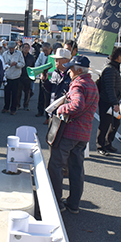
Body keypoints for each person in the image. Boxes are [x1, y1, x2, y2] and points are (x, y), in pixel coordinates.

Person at [48, 56, 99, 214]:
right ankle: (73, 204)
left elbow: (77, 105)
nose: (69, 72)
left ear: (77, 70)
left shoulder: (78, 84)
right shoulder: (91, 84)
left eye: (70, 69)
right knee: (76, 168)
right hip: (84, 134)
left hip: (69, 132)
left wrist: (60, 109)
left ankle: (57, 202)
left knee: (55, 165)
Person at [96, 47, 121, 156]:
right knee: (105, 124)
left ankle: (108, 143)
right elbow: (109, 88)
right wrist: (114, 103)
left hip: (112, 101)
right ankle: (100, 146)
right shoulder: (109, 69)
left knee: (116, 122)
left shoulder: (114, 67)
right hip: (107, 102)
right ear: (118, 56)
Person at [41, 48, 72, 125]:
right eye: (55, 59)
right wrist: (45, 81)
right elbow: (51, 89)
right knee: (51, 136)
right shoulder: (56, 72)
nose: (55, 61)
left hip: (65, 113)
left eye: (58, 59)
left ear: (66, 60)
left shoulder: (72, 74)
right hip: (54, 112)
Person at [2, 41, 24, 115]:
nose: (11, 49)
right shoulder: (5, 54)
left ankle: (13, 108)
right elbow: (2, 63)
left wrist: (16, 64)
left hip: (16, 76)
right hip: (7, 76)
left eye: (12, 48)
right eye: (10, 48)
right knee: (7, 93)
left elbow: (23, 64)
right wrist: (5, 64)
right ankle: (6, 107)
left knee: (15, 94)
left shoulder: (19, 54)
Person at [35, 42, 52, 118]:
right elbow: (37, 64)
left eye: (46, 50)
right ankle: (40, 111)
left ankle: (48, 114)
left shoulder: (53, 56)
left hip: (50, 78)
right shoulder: (41, 55)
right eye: (43, 50)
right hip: (42, 77)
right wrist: (40, 70)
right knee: (41, 95)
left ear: (50, 49)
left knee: (48, 97)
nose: (45, 52)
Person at [17, 43, 35, 110]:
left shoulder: (31, 57)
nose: (26, 49)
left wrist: (33, 77)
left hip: (28, 76)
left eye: (27, 47)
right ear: (22, 48)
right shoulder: (19, 56)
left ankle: (26, 105)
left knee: (27, 92)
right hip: (19, 75)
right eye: (25, 47)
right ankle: (17, 105)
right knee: (18, 92)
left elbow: (33, 67)